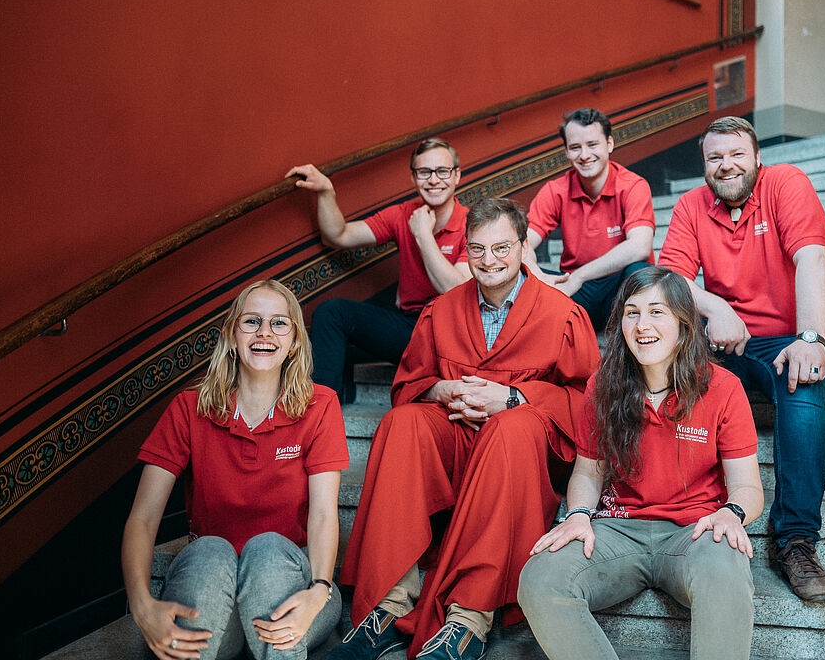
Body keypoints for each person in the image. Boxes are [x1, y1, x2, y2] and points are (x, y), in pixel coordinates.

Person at [330, 197, 601, 660]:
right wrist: (441, 392)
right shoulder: (441, 310)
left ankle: (468, 618)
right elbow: (408, 384)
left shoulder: (562, 315)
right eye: (477, 250)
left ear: (522, 247)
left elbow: (588, 405)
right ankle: (389, 603)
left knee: (508, 430)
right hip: (456, 436)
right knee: (402, 423)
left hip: (524, 451)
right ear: (466, 251)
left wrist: (514, 397)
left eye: (501, 248)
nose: (489, 260)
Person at [518, 266, 763, 660]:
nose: (642, 324)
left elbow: (749, 488)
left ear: (684, 324)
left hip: (694, 534)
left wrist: (732, 513)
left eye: (656, 311)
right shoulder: (604, 384)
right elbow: (587, 470)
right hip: (618, 530)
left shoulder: (723, 388)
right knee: (540, 578)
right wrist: (578, 514)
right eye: (632, 312)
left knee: (726, 569)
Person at [657, 116, 825, 603]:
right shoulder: (692, 205)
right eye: (715, 157)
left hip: (783, 338)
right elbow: (670, 278)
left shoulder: (786, 183)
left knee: (805, 391)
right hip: (722, 341)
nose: (726, 164)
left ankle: (795, 540)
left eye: (736, 154)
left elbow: (812, 259)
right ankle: (677, 519)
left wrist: (809, 338)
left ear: (757, 157)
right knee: (670, 376)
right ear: (704, 166)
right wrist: (717, 308)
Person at [122, 280, 349, 660]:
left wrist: (319, 589)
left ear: (294, 340)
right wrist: (143, 606)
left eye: (280, 323)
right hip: (213, 591)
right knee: (210, 551)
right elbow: (143, 519)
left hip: (289, 587)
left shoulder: (320, 405)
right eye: (251, 322)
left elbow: (325, 514)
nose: (264, 332)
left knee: (268, 549)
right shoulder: (188, 408)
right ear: (231, 335)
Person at [286, 138, 470, 401]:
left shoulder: (471, 223)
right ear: (413, 178)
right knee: (332, 312)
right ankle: (322, 411)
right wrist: (326, 192)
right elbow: (338, 235)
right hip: (408, 327)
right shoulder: (401, 214)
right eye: (424, 172)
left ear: (457, 176)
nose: (433, 180)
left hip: (448, 333)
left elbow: (455, 290)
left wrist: (422, 235)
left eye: (442, 171)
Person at [525, 107, 655, 332]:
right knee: (518, 274)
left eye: (592, 145)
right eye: (575, 147)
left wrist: (581, 275)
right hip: (575, 291)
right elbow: (520, 244)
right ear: (566, 152)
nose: (584, 155)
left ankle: (638, 335)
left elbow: (640, 246)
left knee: (640, 270)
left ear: (609, 144)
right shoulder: (555, 191)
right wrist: (537, 274)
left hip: (619, 290)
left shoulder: (633, 185)